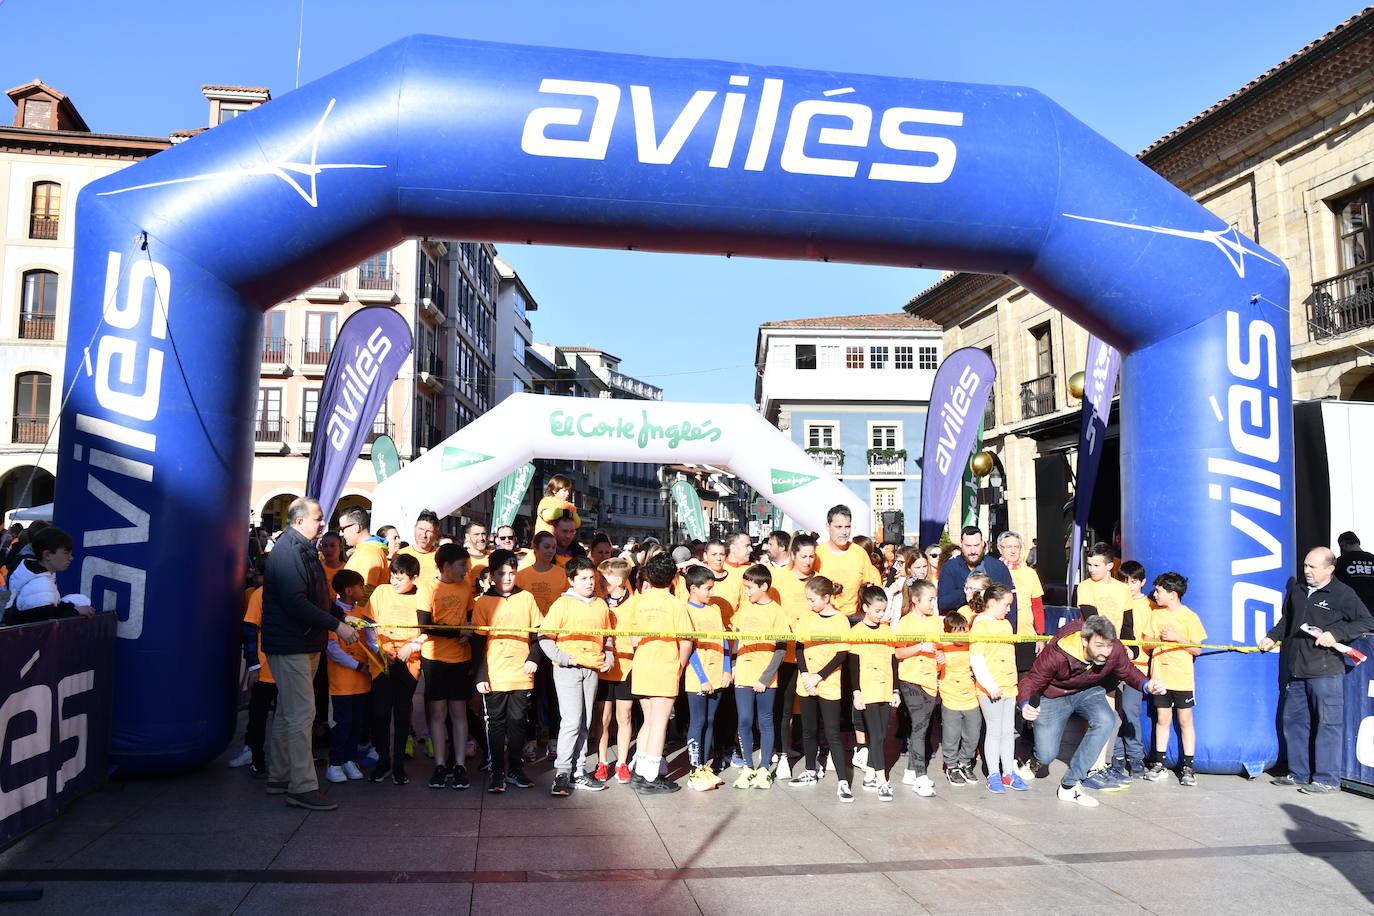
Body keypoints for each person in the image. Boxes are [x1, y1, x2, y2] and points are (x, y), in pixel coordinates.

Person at [260, 497, 359, 812]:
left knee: (290, 713)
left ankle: (279, 776)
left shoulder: (302, 550)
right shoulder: (289, 553)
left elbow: (318, 598)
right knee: (302, 715)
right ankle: (302, 787)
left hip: (301, 642)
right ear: (299, 520)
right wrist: (337, 626)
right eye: (318, 518)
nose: (323, 524)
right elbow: (296, 603)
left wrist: (343, 618)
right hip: (291, 644)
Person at [1019, 615, 1167, 808]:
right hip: (1054, 695)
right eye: (1099, 646)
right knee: (1047, 755)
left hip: (1087, 691)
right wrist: (1025, 705)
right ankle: (1035, 761)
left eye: (1108, 645)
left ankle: (1070, 785)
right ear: (1084, 641)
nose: (1105, 652)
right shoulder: (1057, 653)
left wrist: (1147, 685)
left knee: (1106, 720)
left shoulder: (1113, 648)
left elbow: (1127, 671)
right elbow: (1032, 680)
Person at [1260, 546, 1374, 794]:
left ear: (1330, 569)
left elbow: (1366, 620)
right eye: (1305, 565)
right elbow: (1287, 621)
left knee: (1328, 724)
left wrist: (1336, 634)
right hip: (1297, 668)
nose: (1307, 570)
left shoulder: (1343, 594)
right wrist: (1272, 637)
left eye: (1313, 566)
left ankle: (1326, 779)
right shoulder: (1299, 589)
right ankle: (1297, 773)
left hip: (1326, 669)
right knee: (1294, 721)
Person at [540, 556, 613, 797]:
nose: (590, 582)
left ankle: (578, 771)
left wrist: (609, 657)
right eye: (583, 578)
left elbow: (608, 636)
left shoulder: (601, 605)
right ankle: (562, 772)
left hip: (591, 669)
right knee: (571, 721)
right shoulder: (562, 605)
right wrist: (566, 658)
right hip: (567, 670)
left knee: (585, 722)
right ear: (571, 580)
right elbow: (545, 638)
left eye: (592, 577)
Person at [472, 549, 542, 792]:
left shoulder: (527, 598)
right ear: (492, 576)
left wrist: (534, 658)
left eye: (512, 573)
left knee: (518, 723)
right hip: (494, 674)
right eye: (501, 574)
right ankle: (497, 770)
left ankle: (515, 769)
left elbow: (537, 635)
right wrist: (481, 675)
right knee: (496, 724)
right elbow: (478, 643)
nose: (507, 578)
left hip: (521, 674)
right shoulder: (482, 603)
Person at [623, 553, 694, 793]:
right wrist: (680, 667)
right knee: (659, 723)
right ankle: (651, 776)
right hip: (665, 665)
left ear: (648, 576)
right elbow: (685, 642)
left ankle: (640, 771)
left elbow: (632, 638)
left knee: (648, 721)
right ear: (674, 577)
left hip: (642, 664)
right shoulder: (676, 605)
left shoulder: (638, 601)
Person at [417, 543, 474, 790]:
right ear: (446, 566)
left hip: (461, 658)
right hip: (435, 658)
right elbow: (424, 626)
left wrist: (468, 630)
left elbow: (471, 616)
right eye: (462, 565)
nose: (466, 570)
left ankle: (459, 765)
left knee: (459, 713)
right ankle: (440, 764)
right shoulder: (427, 587)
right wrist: (456, 632)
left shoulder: (466, 586)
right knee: (438, 713)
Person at [791, 576, 854, 801]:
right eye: (807, 599)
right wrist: (806, 674)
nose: (810, 604)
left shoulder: (840, 621)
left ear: (827, 598)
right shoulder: (807, 617)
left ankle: (843, 781)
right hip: (806, 681)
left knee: (832, 732)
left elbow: (841, 654)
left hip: (828, 684)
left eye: (813, 599)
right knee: (808, 730)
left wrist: (819, 676)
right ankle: (810, 770)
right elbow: (799, 646)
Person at [1140, 572, 1205, 786]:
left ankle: (1188, 766)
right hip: (1160, 679)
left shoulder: (1190, 616)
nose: (1155, 595)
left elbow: (1197, 649)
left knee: (1186, 721)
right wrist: (1158, 639)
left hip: (1183, 679)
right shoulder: (1156, 615)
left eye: (1159, 591)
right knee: (1162, 720)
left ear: (1173, 594)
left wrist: (1178, 639)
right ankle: (1159, 763)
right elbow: (1146, 643)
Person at [367, 553, 427, 785]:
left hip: (409, 664)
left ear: (414, 578)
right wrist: (379, 651)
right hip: (382, 662)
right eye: (392, 576)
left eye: (400, 578)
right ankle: (383, 761)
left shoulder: (421, 596)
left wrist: (411, 647)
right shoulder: (381, 592)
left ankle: (399, 764)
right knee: (380, 713)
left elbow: (426, 630)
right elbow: (369, 626)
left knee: (402, 714)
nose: (394, 582)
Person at [730, 565, 789, 789]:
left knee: (764, 721)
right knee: (744, 720)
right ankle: (748, 767)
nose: (746, 592)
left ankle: (764, 768)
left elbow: (781, 649)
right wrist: (734, 664)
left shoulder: (777, 612)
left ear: (763, 586)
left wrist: (765, 678)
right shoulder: (745, 608)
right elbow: (735, 638)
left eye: (749, 587)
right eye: (745, 587)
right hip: (743, 674)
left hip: (766, 678)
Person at [970, 582, 1026, 793]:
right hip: (990, 689)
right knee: (994, 731)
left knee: (1007, 732)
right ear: (992, 603)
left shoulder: (1005, 624)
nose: (1009, 609)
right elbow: (976, 659)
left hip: (1009, 686)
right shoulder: (980, 625)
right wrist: (990, 685)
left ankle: (1008, 772)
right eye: (1006, 605)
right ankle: (994, 773)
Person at [323, 569, 377, 783]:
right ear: (348, 590)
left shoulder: (362, 612)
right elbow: (332, 649)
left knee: (356, 724)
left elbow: (371, 641)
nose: (363, 591)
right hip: (341, 684)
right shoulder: (332, 613)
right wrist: (357, 666)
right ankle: (334, 763)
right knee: (341, 723)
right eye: (360, 586)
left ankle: (349, 760)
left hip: (362, 683)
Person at [771, 533, 817, 775]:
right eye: (803, 556)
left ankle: (810, 751)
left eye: (812, 556)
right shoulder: (780, 579)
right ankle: (782, 754)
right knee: (785, 706)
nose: (808, 561)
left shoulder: (819, 581)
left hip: (812, 653)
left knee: (809, 705)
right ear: (793, 555)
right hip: (786, 652)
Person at [682, 563, 730, 791]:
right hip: (698, 676)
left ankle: (703, 764)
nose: (711, 593)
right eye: (707, 588)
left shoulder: (714, 610)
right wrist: (702, 678)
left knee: (711, 721)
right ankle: (694, 769)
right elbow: (688, 648)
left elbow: (724, 640)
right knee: (698, 721)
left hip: (717, 672)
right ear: (693, 589)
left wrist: (727, 669)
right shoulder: (686, 611)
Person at [849, 585, 898, 801]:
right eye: (877, 610)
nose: (881, 614)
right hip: (867, 690)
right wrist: (856, 692)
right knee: (876, 736)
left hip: (885, 688)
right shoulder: (856, 632)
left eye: (884, 610)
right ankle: (881, 781)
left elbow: (893, 661)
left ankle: (869, 774)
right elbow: (853, 665)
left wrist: (895, 690)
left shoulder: (887, 631)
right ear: (866, 608)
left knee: (882, 735)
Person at [591, 557, 637, 784]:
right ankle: (601, 762)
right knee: (603, 717)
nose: (599, 582)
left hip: (626, 668)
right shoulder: (598, 602)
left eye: (604, 578)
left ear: (618, 580)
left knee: (624, 716)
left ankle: (622, 763)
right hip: (602, 667)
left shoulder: (635, 603)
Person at [893, 577, 941, 797]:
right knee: (919, 726)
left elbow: (939, 648)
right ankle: (920, 776)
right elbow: (898, 652)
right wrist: (920, 646)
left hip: (931, 679)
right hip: (911, 679)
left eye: (934, 599)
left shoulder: (935, 621)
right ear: (915, 600)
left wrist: (940, 655)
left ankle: (911, 770)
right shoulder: (906, 622)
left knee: (922, 726)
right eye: (929, 599)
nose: (932, 603)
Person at [1109, 560, 1154, 781]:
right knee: (1115, 712)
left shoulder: (1149, 606)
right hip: (1115, 665)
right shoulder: (1115, 600)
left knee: (1131, 712)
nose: (1128, 585)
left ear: (1142, 582)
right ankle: (1116, 757)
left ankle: (1136, 758)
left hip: (1138, 667)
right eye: (1124, 580)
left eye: (1133, 581)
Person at [2, 526, 94, 625]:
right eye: (66, 553)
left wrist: (71, 606)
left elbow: (47, 612)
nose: (71, 558)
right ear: (47, 555)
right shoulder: (39, 584)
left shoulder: (40, 577)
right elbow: (43, 626)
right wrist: (75, 612)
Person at [937, 526, 1017, 630]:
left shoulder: (998, 567)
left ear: (983, 544)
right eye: (968, 546)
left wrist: (1012, 633)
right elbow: (943, 603)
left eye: (976, 545)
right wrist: (969, 592)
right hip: (960, 634)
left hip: (995, 632)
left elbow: (1011, 602)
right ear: (961, 545)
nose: (973, 550)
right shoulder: (950, 567)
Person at [938, 603, 980, 787]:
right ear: (948, 632)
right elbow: (934, 668)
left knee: (972, 734)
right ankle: (952, 765)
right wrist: (938, 661)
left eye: (965, 630)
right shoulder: (942, 646)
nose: (962, 634)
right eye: (958, 631)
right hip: (950, 697)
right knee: (951, 735)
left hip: (970, 697)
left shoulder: (971, 645)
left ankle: (965, 763)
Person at [814, 505, 881, 616]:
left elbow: (873, 589)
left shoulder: (860, 553)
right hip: (825, 618)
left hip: (855, 617)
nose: (844, 532)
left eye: (847, 527)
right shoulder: (817, 554)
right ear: (828, 526)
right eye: (839, 527)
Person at [340, 507, 389, 590]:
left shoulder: (368, 553)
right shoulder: (368, 550)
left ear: (356, 527)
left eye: (342, 529)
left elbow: (365, 592)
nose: (341, 533)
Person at [397, 510, 441, 582]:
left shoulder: (441, 556)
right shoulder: (400, 554)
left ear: (436, 533)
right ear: (414, 528)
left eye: (429, 531)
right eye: (421, 529)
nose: (424, 535)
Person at [1335, 531, 1374, 612]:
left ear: (1343, 545)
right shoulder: (1372, 559)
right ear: (1358, 542)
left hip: (1351, 610)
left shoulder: (1340, 562)